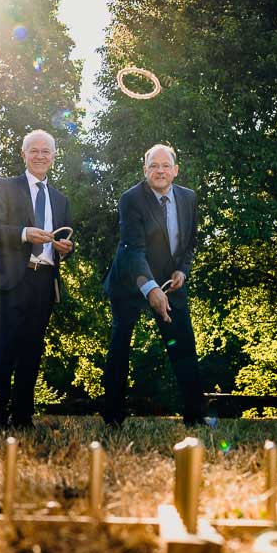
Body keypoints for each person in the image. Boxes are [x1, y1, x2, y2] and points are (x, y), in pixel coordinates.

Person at [102, 144, 206, 426]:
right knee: (121, 342)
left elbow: (190, 243)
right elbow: (134, 249)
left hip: (171, 283)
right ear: (144, 170)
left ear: (175, 170)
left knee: (184, 345)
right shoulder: (131, 199)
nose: (159, 171)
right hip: (131, 280)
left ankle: (195, 416)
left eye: (165, 166)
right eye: (153, 166)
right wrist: (150, 289)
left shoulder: (189, 197)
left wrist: (182, 270)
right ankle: (112, 415)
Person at [0, 129, 74, 428]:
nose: (40, 155)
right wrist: (23, 234)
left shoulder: (61, 199)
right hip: (10, 279)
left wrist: (64, 250)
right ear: (23, 154)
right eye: (33, 150)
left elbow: (65, 241)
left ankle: (22, 416)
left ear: (53, 156)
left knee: (32, 351)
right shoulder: (5, 186)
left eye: (45, 151)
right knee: (2, 347)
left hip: (44, 282)